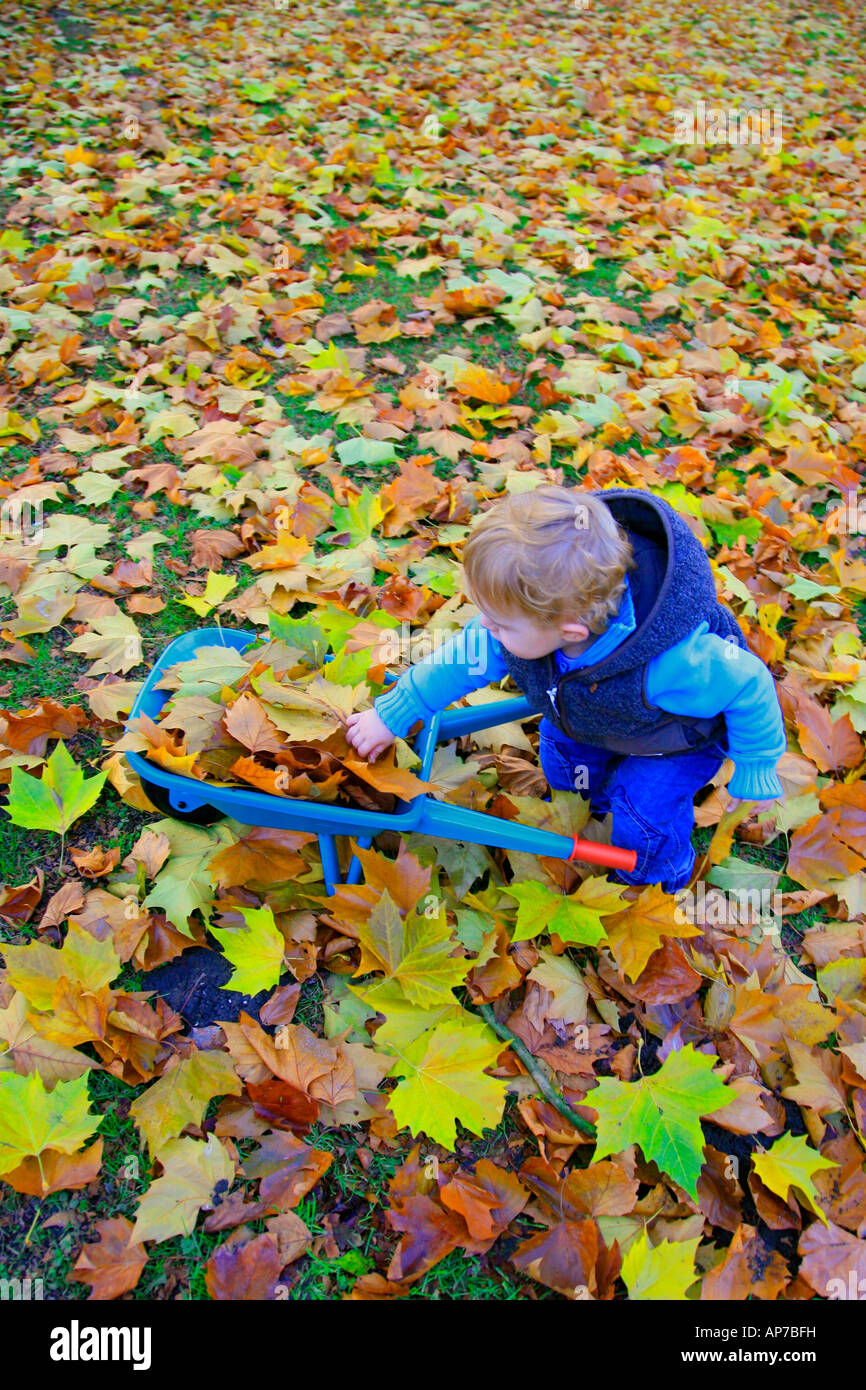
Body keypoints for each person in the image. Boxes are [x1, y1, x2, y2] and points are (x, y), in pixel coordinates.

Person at [345, 485, 786, 893]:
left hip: (675, 738)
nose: (485, 628)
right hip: (589, 717)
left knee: (642, 809)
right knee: (563, 767)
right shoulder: (528, 625)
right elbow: (458, 662)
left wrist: (756, 767)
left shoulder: (677, 661)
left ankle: (654, 878)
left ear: (571, 630)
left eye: (498, 623)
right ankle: (592, 806)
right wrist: (391, 715)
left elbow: (749, 684)